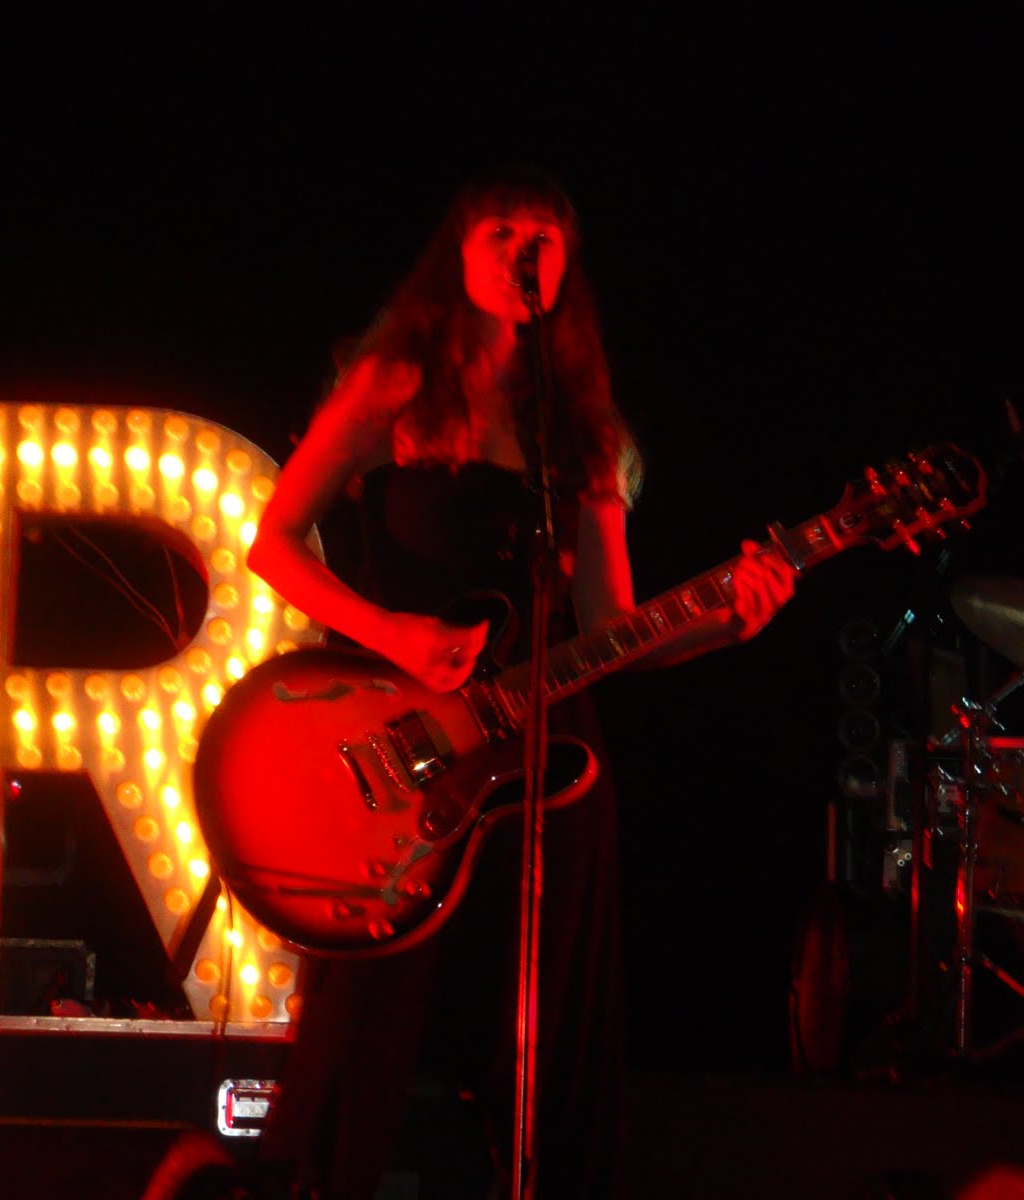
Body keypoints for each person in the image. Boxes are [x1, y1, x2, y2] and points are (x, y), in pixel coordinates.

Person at [240, 165, 796, 1199]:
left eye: (541, 236)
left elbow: (613, 629)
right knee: (368, 1020)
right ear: (457, 252)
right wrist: (391, 634)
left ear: (567, 264)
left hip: (552, 751)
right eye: (499, 231)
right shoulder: (393, 381)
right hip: (412, 739)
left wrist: (727, 626)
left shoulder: (582, 428)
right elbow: (273, 542)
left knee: (553, 1021)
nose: (520, 251)